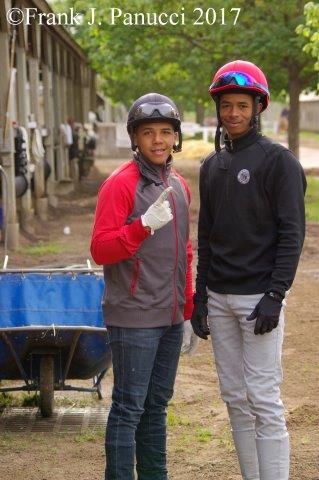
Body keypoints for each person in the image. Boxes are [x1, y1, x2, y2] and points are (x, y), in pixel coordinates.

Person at [191, 60, 306, 480]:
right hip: (219, 299)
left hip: (260, 300)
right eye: (226, 106)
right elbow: (206, 235)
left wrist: (276, 295)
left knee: (262, 397)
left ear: (259, 107)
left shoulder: (279, 162)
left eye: (242, 105)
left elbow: (292, 233)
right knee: (234, 398)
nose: (233, 114)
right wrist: (200, 297)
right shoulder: (211, 166)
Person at [90, 92, 194, 480]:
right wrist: (142, 226)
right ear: (135, 138)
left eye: (166, 132)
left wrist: (186, 310)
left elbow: (184, 251)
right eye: (148, 132)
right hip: (133, 316)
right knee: (129, 407)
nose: (158, 140)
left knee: (156, 406)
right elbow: (100, 248)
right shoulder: (120, 185)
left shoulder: (181, 186)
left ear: (175, 137)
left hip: (168, 317)